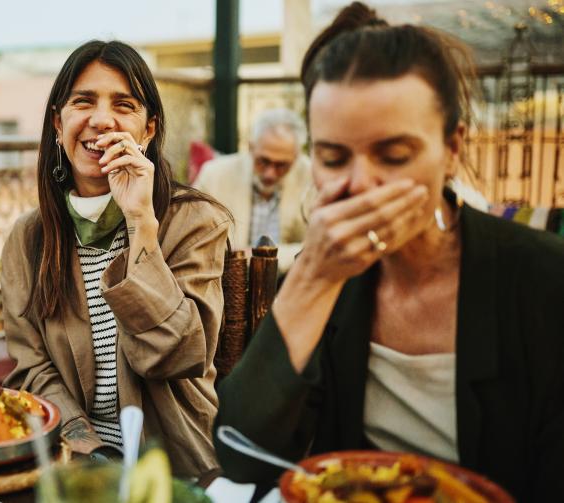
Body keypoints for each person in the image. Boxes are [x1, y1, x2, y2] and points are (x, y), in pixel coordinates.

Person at [214, 3, 564, 500]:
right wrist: (312, 277)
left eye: (393, 156)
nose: (360, 184)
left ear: (452, 149)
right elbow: (241, 453)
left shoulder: (541, 281)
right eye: (334, 158)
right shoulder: (330, 283)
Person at [2, 40, 231, 477]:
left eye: (123, 105)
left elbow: (174, 355)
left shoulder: (196, 221)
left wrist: (141, 220)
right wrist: (83, 444)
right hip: (74, 459)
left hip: (173, 467)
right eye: (82, 101)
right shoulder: (28, 238)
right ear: (57, 122)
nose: (101, 120)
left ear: (148, 130)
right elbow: (30, 367)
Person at [193, 109, 311, 272]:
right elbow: (193, 239)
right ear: (250, 148)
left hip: (289, 280)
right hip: (224, 280)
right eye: (263, 161)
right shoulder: (215, 175)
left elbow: (319, 246)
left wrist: (254, 256)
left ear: (296, 157)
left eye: (281, 165)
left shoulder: (312, 177)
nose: (270, 173)